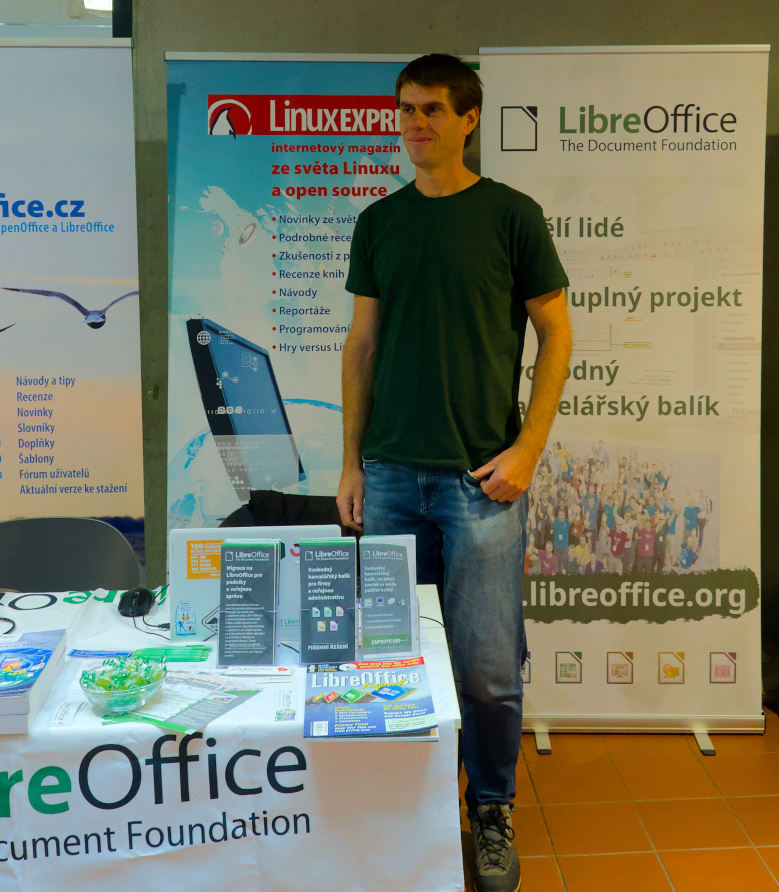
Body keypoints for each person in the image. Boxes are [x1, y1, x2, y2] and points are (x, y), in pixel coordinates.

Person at [335, 54, 571, 892]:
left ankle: (493, 809)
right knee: (390, 661)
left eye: (432, 109)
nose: (414, 124)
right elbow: (360, 348)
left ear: (469, 118)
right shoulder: (380, 222)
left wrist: (530, 446)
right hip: (393, 476)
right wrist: (351, 462)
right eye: (404, 110)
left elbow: (558, 336)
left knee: (487, 668)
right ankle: (414, 806)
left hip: (482, 482)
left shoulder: (512, 216)